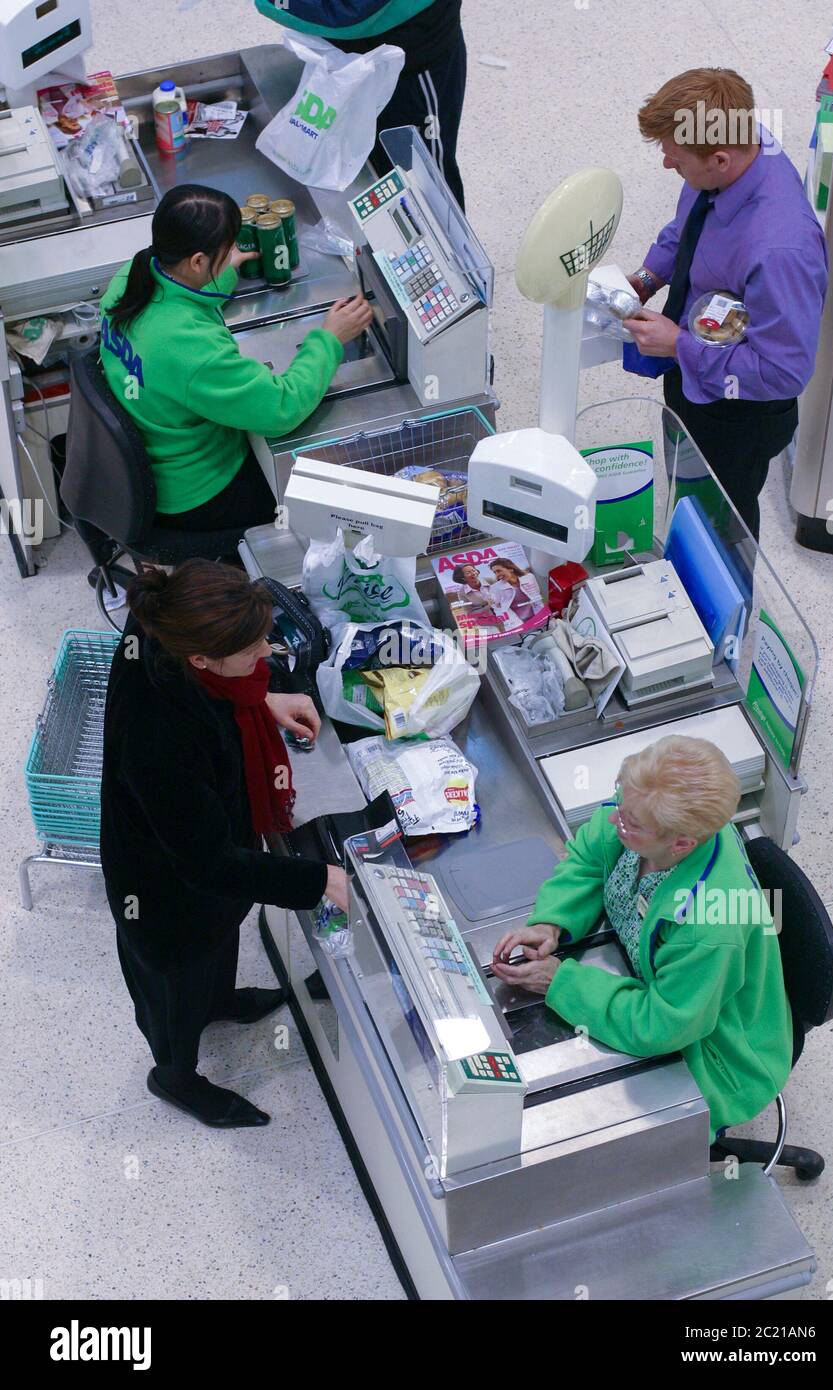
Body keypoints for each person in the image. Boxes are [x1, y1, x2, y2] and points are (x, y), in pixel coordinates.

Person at [101, 560, 350, 1129]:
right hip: (161, 889)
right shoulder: (161, 740)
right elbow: (207, 865)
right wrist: (322, 881)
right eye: (252, 649)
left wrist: (260, 702)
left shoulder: (163, 621)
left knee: (219, 940)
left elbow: (226, 684)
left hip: (204, 846)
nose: (266, 652)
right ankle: (175, 1075)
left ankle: (219, 1001)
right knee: (174, 986)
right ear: (201, 660)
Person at [491, 736, 793, 1138]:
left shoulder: (709, 928)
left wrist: (559, 981)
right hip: (663, 994)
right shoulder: (644, 816)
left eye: (630, 823)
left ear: (681, 844)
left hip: (718, 1057)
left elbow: (661, 1027)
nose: (616, 820)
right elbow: (588, 857)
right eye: (620, 803)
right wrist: (552, 922)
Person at [621, 68, 828, 539]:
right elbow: (688, 225)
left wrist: (679, 346)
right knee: (689, 498)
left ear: (719, 159)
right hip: (697, 373)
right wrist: (649, 277)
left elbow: (783, 372)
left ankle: (724, 611)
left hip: (737, 415)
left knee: (720, 528)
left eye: (677, 163)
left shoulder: (781, 251)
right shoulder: (741, 143)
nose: (668, 167)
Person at [100, 184, 371, 534]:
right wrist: (330, 339)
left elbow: (182, 299)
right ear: (198, 261)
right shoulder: (190, 350)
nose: (231, 256)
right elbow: (281, 409)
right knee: (326, 496)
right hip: (200, 494)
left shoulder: (129, 279)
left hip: (154, 455)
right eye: (227, 251)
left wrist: (224, 270)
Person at [256, 0, 467, 207]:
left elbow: (349, 12)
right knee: (365, 173)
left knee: (420, 183)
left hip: (409, 66)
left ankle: (440, 241)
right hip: (349, 60)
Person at [488, 557, 545, 626]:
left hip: (539, 616)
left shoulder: (529, 577)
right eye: (495, 572)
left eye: (499, 571)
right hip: (518, 624)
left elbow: (537, 596)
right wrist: (509, 624)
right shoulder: (495, 588)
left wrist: (543, 614)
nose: (497, 575)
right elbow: (497, 609)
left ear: (511, 569)